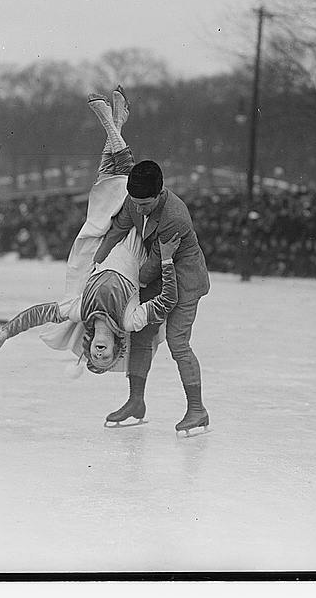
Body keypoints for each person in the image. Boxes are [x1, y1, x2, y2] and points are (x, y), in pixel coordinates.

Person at [0, 90, 183, 390]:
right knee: (128, 181)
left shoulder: (80, 311)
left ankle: (116, 121)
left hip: (99, 239)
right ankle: (111, 122)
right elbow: (167, 301)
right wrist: (166, 258)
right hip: (133, 238)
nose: (99, 355)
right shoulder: (130, 320)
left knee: (104, 181)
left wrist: (7, 332)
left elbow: (39, 314)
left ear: (88, 345)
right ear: (117, 347)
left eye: (93, 356)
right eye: (106, 359)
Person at [92, 128, 212, 435]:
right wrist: (99, 258)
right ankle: (136, 401)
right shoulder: (135, 201)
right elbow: (120, 225)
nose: (140, 209)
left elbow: (155, 264)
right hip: (156, 274)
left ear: (160, 194)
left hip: (182, 279)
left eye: (146, 205)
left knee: (177, 342)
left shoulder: (175, 217)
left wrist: (127, 278)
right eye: (136, 203)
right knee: (141, 337)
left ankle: (197, 409)